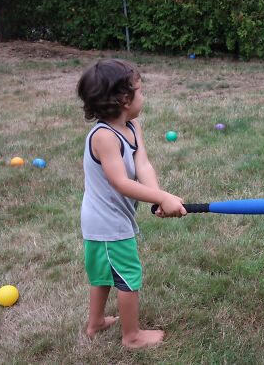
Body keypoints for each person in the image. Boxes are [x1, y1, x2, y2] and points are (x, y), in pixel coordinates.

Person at [77, 58, 187, 348]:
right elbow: (121, 182)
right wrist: (162, 198)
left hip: (110, 218)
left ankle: (96, 323)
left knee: (102, 273)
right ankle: (132, 336)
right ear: (125, 99)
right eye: (140, 91)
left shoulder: (132, 126)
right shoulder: (104, 137)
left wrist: (157, 198)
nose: (143, 96)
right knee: (128, 275)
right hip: (107, 221)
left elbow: (142, 163)